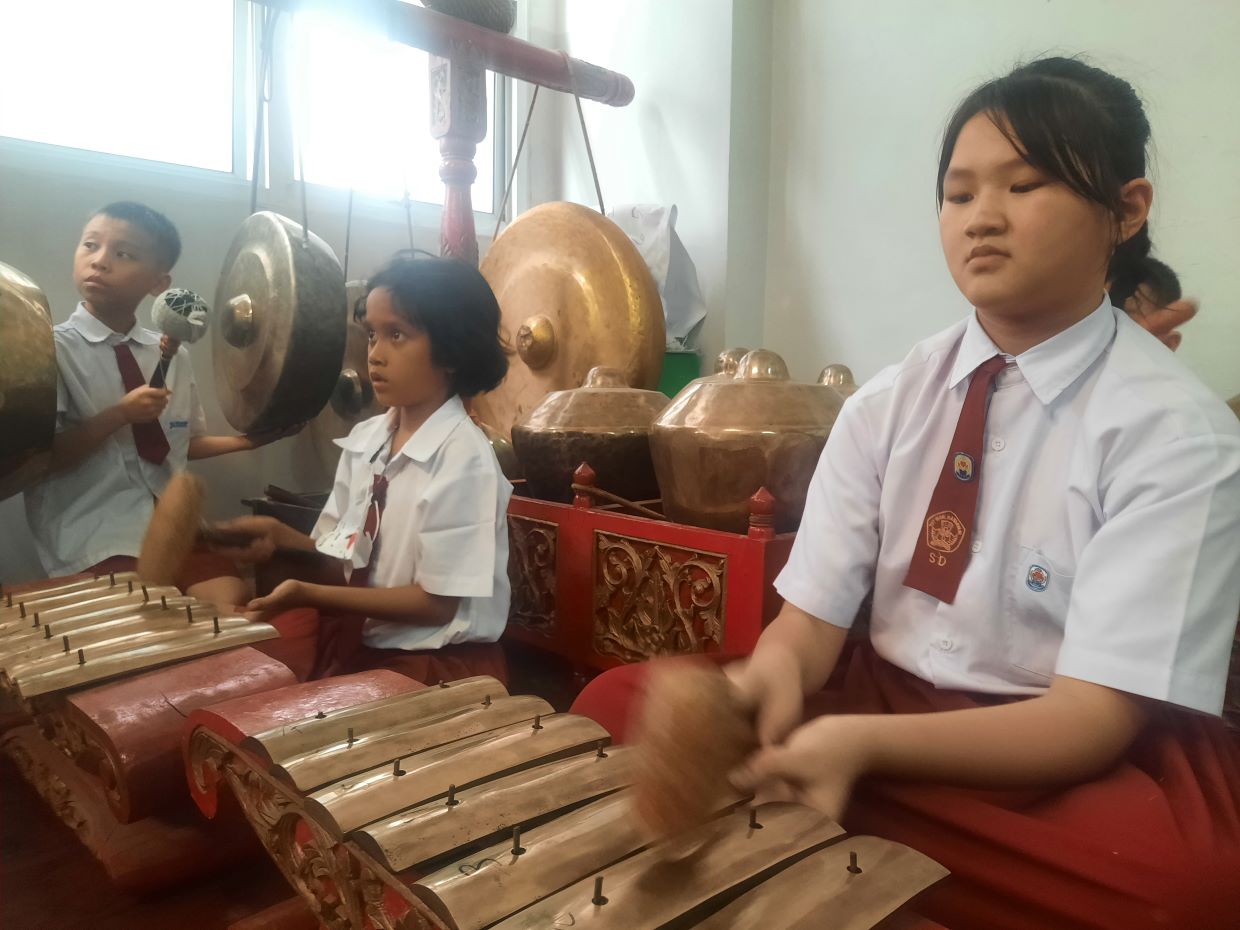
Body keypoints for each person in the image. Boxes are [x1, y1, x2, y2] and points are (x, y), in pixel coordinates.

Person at [572, 57, 1240, 930]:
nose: (983, 218)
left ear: (1127, 208)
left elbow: (1094, 717)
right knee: (611, 704)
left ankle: (810, 811)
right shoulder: (889, 403)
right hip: (880, 693)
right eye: (958, 195)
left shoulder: (1176, 433)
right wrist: (766, 684)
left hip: (1059, 749)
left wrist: (857, 746)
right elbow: (810, 627)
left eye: (1025, 183)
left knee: (1184, 889)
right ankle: (822, 804)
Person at [215, 255, 513, 685]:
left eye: (397, 335)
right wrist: (283, 541)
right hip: (361, 645)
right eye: (372, 334)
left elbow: (436, 604)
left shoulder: (464, 458)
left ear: (452, 351)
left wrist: (308, 592)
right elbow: (344, 558)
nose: (375, 354)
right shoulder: (367, 439)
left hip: (437, 666)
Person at [23, 201, 288, 605]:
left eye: (123, 253)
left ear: (158, 283)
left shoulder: (172, 354)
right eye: (90, 245)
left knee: (228, 602)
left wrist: (248, 442)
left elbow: (179, 444)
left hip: (175, 527)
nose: (100, 261)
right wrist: (118, 416)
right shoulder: (50, 351)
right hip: (95, 536)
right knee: (148, 619)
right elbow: (41, 461)